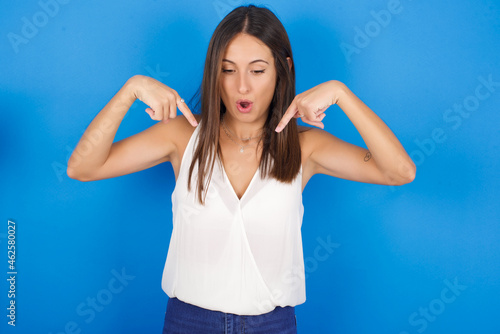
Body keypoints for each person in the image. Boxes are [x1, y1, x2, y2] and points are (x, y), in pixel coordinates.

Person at [67, 4, 416, 334]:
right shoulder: (181, 135)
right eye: (228, 69)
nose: (242, 86)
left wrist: (342, 94)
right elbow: (82, 167)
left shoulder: (305, 146)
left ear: (283, 69)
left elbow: (399, 171)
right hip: (188, 321)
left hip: (273, 325)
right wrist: (129, 91)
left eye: (258, 70)